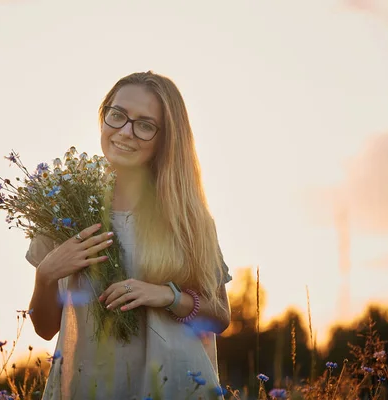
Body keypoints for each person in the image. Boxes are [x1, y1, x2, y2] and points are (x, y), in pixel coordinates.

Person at [26, 71, 233, 399]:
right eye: (117, 115)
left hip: (175, 386)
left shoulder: (188, 217)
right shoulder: (63, 207)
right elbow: (45, 328)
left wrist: (167, 295)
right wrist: (46, 275)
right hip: (89, 387)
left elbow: (220, 316)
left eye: (145, 125)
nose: (125, 132)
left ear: (167, 138)